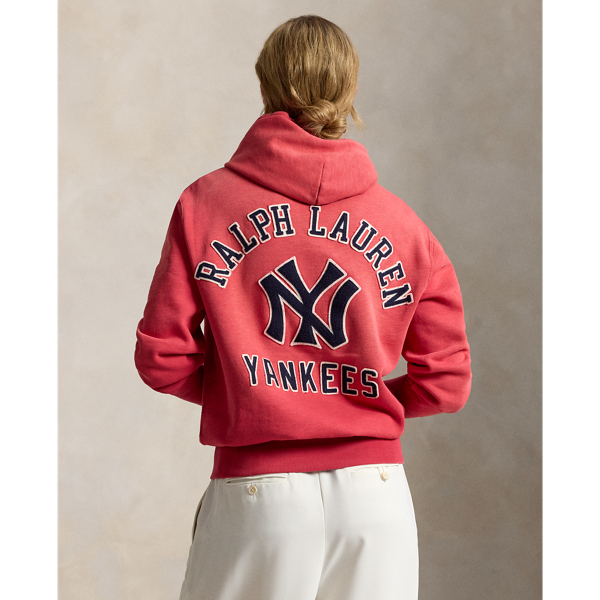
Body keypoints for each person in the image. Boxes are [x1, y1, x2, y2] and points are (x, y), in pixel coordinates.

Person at [135, 14, 471, 600]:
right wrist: (350, 397)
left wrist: (256, 394)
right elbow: (446, 383)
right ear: (349, 89)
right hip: (377, 501)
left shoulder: (204, 204)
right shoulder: (406, 226)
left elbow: (161, 359)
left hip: (258, 497)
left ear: (266, 85)